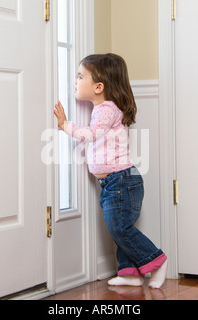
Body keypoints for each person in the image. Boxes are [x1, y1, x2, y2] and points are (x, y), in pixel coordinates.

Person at [54, 53, 167, 288]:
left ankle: (156, 260)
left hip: (121, 182)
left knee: (119, 228)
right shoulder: (105, 108)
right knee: (119, 229)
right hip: (115, 183)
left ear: (98, 87)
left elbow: (91, 134)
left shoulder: (106, 109)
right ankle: (129, 274)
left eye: (79, 76)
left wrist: (66, 125)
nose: (75, 81)